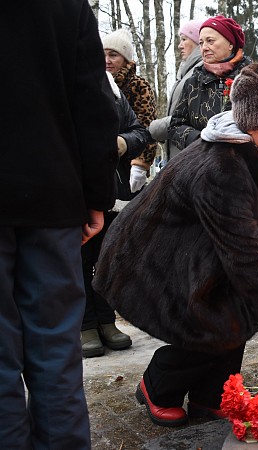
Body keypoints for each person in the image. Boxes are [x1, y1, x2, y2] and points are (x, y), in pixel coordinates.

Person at [92, 64, 258, 427]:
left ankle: (211, 396)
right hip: (150, 263)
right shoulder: (222, 169)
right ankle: (158, 384)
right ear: (252, 125)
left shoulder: (244, 154)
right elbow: (248, 259)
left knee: (236, 309)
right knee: (210, 323)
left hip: (192, 254)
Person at [0, 2, 119, 447]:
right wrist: (95, 196)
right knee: (55, 347)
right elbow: (93, 103)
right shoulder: (66, 7)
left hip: (52, 199)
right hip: (51, 192)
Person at [80, 72, 152, 358]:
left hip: (111, 192)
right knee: (80, 262)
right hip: (77, 191)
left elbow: (140, 131)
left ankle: (107, 321)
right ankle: (85, 324)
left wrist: (123, 143)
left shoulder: (112, 89)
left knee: (105, 260)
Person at [169, 15, 251, 151]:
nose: (204, 48)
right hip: (202, 165)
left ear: (231, 43)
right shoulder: (193, 82)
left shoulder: (252, 79)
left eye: (210, 41)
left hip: (245, 164)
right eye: (201, 43)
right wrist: (201, 140)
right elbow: (175, 126)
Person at [102, 28, 158, 193]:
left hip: (127, 166)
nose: (107, 60)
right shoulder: (93, 84)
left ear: (126, 59)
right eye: (103, 54)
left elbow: (147, 128)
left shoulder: (138, 86)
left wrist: (140, 165)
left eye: (113, 55)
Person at [149, 18, 204, 161]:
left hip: (189, 159)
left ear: (198, 41)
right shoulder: (187, 72)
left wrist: (154, 128)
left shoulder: (200, 72)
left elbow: (192, 115)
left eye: (184, 39)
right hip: (178, 156)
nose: (180, 46)